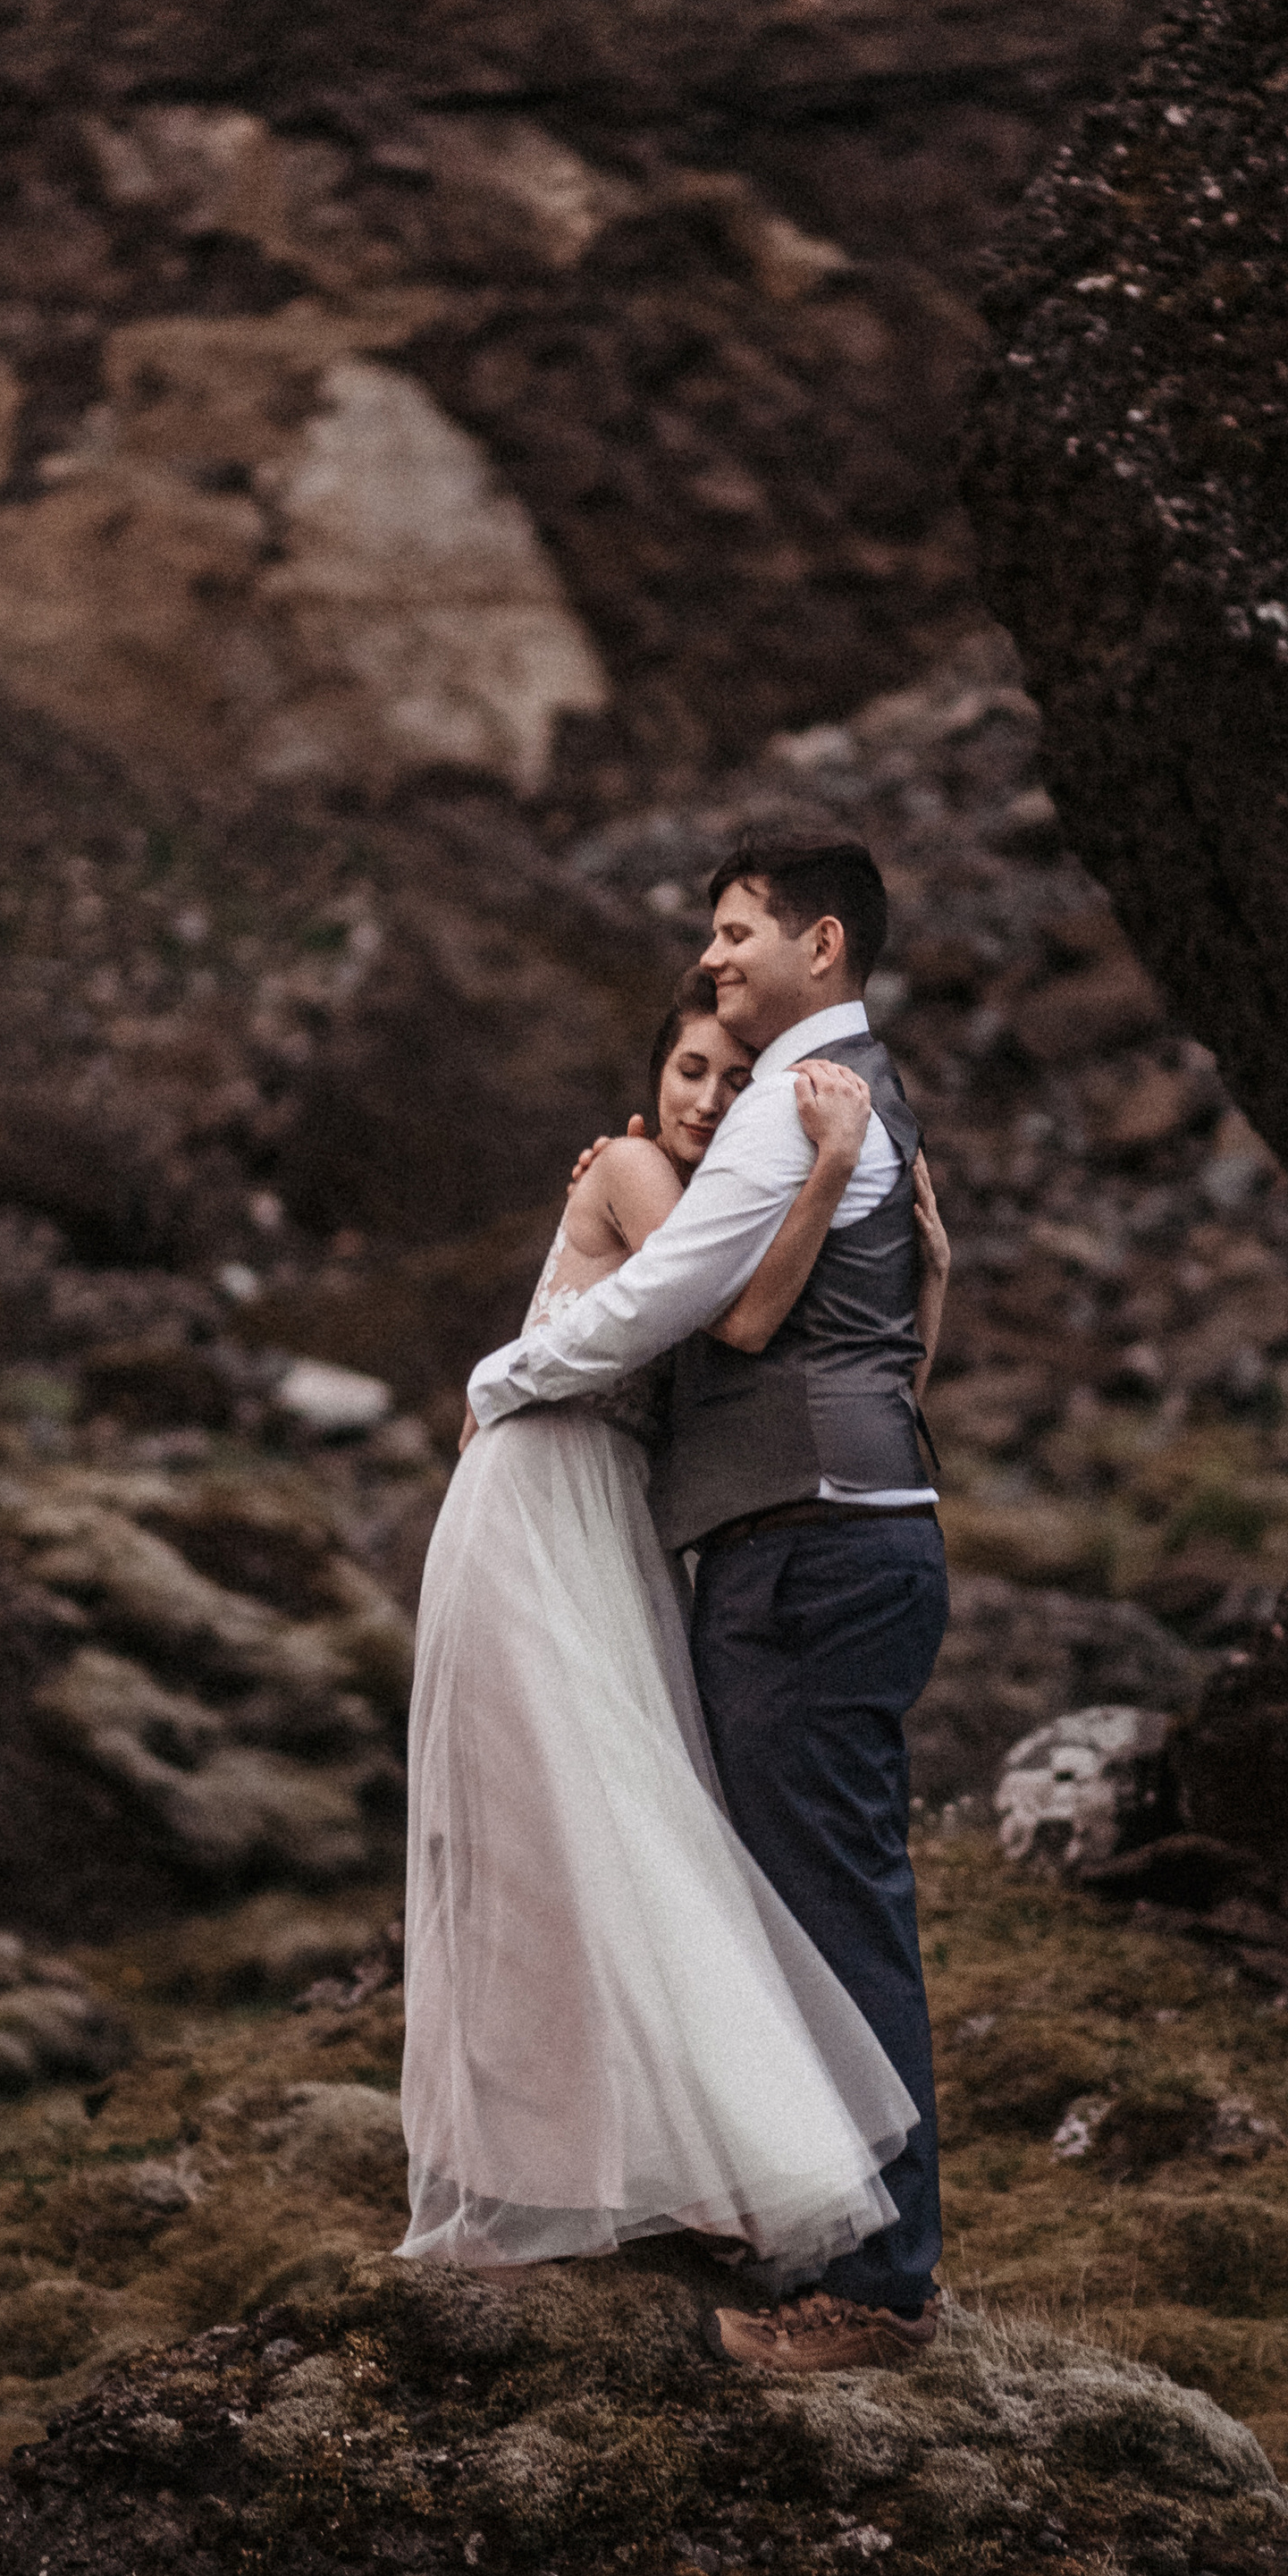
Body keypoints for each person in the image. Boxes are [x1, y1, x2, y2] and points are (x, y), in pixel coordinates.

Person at [465, 838, 952, 2375]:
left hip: (807, 1544)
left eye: (739, 932)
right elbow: (805, 1318)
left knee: (828, 1900)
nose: (719, 954)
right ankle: (814, 2227)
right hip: (826, 1532)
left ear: (822, 940)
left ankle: (872, 2290)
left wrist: (507, 1370)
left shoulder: (810, 1099)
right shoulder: (842, 1094)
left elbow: (683, 1303)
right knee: (802, 1887)